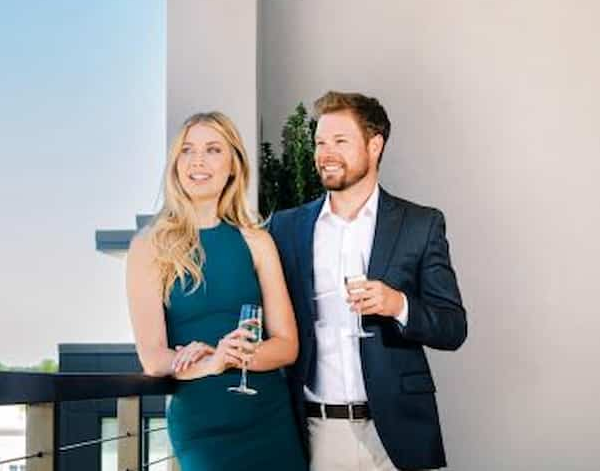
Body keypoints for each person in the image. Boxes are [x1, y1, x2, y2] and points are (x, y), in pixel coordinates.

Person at [267, 91, 468, 470]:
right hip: (316, 432)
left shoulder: (420, 225)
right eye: (320, 142)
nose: (325, 153)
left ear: (374, 145)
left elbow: (453, 327)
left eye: (340, 141)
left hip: (399, 432)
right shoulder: (285, 227)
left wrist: (399, 305)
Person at [126, 111, 307, 470]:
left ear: (233, 166)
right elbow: (153, 358)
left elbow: (287, 345)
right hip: (202, 426)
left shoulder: (257, 242)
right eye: (187, 150)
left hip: (268, 418)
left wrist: (234, 355)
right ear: (176, 163)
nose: (197, 160)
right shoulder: (148, 247)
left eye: (212, 150)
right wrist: (212, 362)